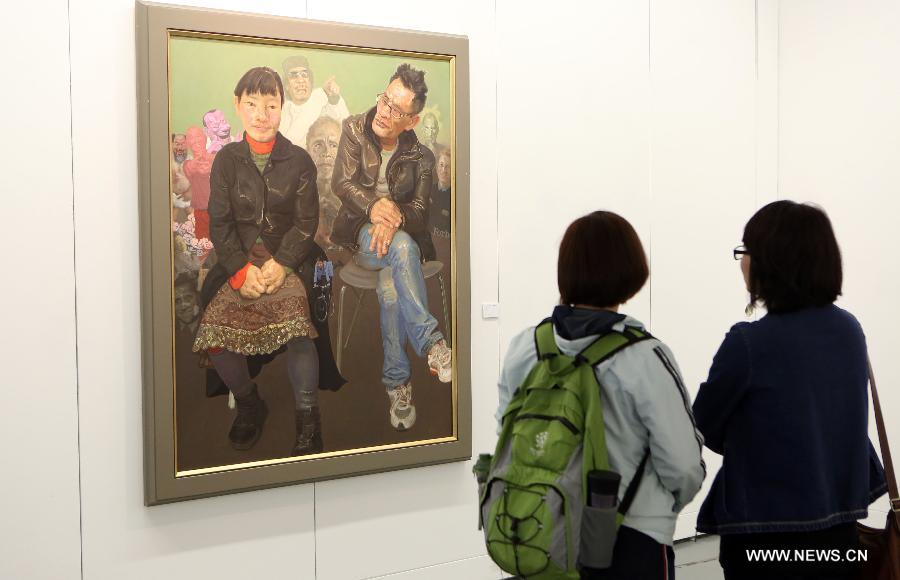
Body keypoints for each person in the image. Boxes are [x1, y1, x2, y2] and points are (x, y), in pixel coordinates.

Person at [496, 211, 706, 580]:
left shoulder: (526, 347)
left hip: (540, 531)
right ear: (632, 270)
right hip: (631, 539)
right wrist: (661, 510)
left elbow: (508, 435)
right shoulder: (645, 357)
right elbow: (683, 465)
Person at [692, 201, 888, 580]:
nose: (741, 261)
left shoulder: (748, 344)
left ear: (772, 260)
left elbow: (703, 424)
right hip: (839, 532)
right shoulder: (849, 330)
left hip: (764, 536)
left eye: (745, 250)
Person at [192, 66, 331, 456]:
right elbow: (219, 225)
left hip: (289, 259)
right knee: (214, 334)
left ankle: (308, 415)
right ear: (238, 105)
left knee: (301, 327)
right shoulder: (227, 161)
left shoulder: (300, 160)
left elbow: (306, 224)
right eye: (252, 104)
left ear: (282, 107)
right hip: (238, 261)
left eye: (271, 104)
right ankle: (250, 401)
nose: (261, 114)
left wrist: (282, 264)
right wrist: (238, 269)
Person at [331, 63, 452, 431]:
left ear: (411, 121)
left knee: (392, 289)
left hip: (402, 247)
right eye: (385, 100)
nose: (384, 112)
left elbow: (419, 213)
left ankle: (398, 385)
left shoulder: (424, 158)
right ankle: (431, 342)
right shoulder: (354, 128)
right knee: (398, 245)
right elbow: (341, 182)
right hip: (361, 238)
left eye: (396, 110)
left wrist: (393, 214)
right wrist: (373, 207)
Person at [279, 54, 350, 149]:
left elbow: (347, 133)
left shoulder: (326, 105)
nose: (301, 80)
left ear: (310, 82)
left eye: (305, 75)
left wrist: (333, 100)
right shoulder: (282, 111)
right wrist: (320, 95)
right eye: (294, 76)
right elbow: (289, 143)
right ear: (287, 85)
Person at [306, 116, 342, 249]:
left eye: (333, 145)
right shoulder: (297, 191)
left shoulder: (356, 192)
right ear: (307, 152)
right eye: (318, 145)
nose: (326, 152)